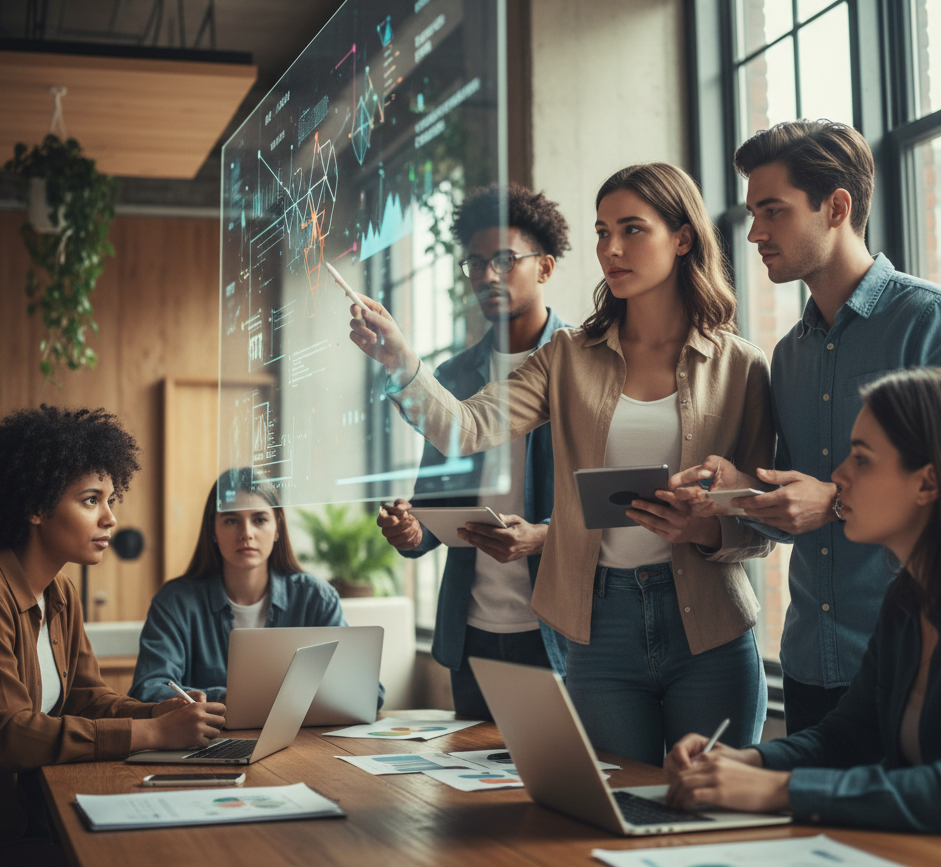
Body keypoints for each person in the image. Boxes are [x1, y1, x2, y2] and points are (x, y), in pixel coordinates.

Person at [347, 164, 775, 765]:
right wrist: (398, 359)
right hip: (600, 630)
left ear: (683, 237)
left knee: (714, 815)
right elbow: (463, 427)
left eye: (632, 229)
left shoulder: (742, 366)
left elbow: (760, 525)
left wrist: (704, 526)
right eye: (603, 232)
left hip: (710, 626)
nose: (611, 249)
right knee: (608, 813)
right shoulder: (568, 357)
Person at [673, 120, 941, 733]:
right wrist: (738, 490)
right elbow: (796, 512)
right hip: (809, 666)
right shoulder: (789, 356)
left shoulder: (935, 322)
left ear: (838, 207)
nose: (754, 233)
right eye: (752, 213)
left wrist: (832, 500)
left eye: (773, 211)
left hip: (921, 659)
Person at [665, 368, 941, 848]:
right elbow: (847, 738)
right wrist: (749, 763)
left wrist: (778, 790)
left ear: (928, 483)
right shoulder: (909, 596)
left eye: (862, 460)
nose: (838, 475)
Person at [0, 406, 224, 864]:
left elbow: (85, 696)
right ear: (36, 506)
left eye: (111, 500)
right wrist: (150, 732)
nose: (110, 518)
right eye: (91, 500)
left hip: (35, 817)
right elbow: (8, 735)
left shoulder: (59, 591)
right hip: (4, 835)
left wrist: (159, 710)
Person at [376, 184, 572, 719]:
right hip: (472, 633)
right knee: (470, 796)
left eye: (506, 260)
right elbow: (432, 503)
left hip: (560, 633)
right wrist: (412, 531)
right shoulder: (452, 376)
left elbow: (611, 514)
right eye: (477, 263)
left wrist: (539, 538)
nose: (487, 275)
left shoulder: (582, 365)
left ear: (546, 267)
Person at [130, 468, 381, 706]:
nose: (246, 533)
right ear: (213, 530)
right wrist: (230, 698)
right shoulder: (174, 602)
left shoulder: (316, 598)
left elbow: (368, 690)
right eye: (231, 521)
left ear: (277, 528)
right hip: (209, 741)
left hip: (301, 740)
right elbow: (148, 689)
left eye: (259, 519)